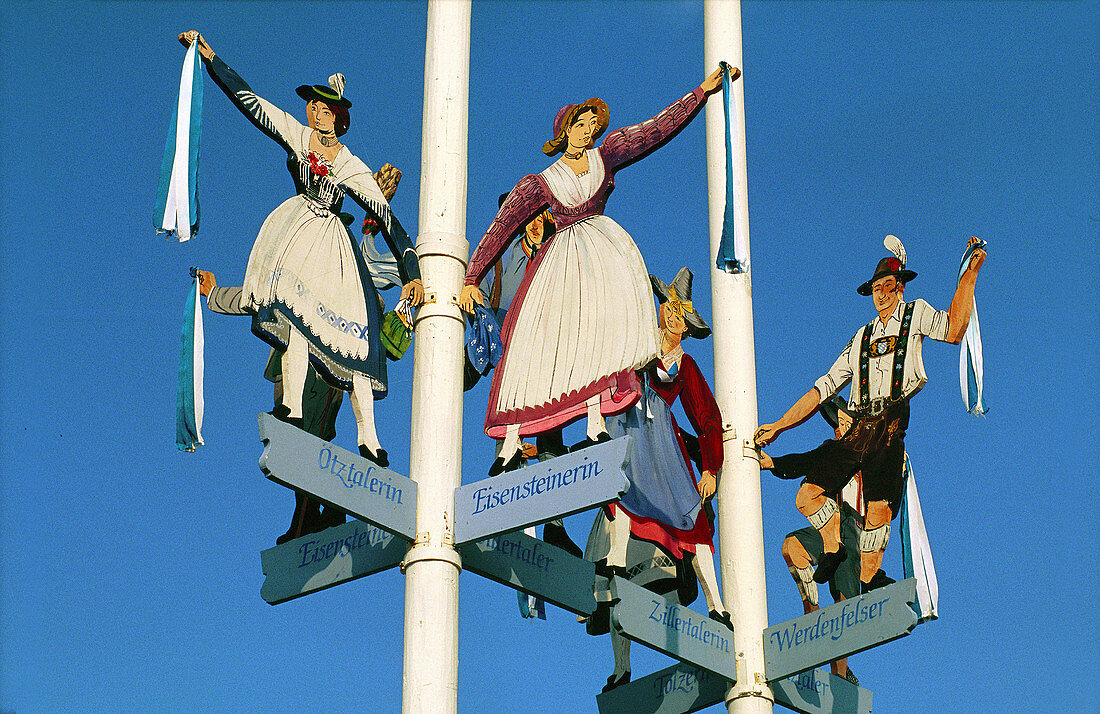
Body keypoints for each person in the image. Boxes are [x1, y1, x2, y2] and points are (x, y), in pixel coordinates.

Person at [459, 65, 741, 475]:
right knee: (536, 344)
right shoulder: (540, 183)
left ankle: (595, 424)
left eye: (594, 124)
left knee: (597, 339)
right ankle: (511, 441)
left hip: (601, 260)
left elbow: (654, 131)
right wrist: (471, 277)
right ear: (566, 129)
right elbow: (502, 226)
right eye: (583, 122)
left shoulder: (605, 156)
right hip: (559, 265)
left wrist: (701, 92)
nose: (590, 130)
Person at [178, 31, 424, 468]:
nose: (317, 111)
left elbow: (390, 224)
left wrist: (413, 277)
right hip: (296, 231)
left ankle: (369, 439)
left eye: (326, 107)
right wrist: (211, 57)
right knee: (291, 313)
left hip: (332, 246)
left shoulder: (351, 165)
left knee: (358, 333)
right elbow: (252, 103)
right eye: (313, 104)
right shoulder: (298, 134)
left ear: (339, 117)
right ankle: (290, 406)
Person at [756, 236, 986, 592]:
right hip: (858, 425)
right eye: (875, 288)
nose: (880, 294)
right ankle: (832, 547)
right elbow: (822, 389)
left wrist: (968, 275)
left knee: (879, 510)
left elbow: (955, 330)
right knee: (807, 496)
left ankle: (869, 577)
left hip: (891, 422)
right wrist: (779, 426)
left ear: (900, 287)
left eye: (887, 286)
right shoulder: (860, 337)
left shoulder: (916, 314)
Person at [197, 166, 405, 544]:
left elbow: (366, 308)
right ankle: (319, 512)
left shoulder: (347, 272)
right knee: (296, 441)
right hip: (289, 365)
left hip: (327, 366)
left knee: (312, 440)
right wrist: (212, 295)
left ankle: (312, 515)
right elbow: (256, 294)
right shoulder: (296, 268)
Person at [595, 267, 732, 693]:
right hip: (623, 434)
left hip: (660, 445)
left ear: (686, 328)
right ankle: (621, 668)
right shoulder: (633, 341)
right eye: (668, 308)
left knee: (694, 523)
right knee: (612, 510)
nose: (672, 318)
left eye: (680, 315)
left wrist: (710, 466)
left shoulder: (682, 364)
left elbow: (707, 415)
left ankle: (718, 607)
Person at [772, 397, 866, 685]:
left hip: (856, 528)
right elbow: (803, 461)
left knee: (844, 604)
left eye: (843, 423)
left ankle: (841, 676)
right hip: (832, 521)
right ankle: (811, 619)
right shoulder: (831, 451)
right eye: (837, 423)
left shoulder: (869, 453)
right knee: (793, 546)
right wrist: (772, 463)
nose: (838, 428)